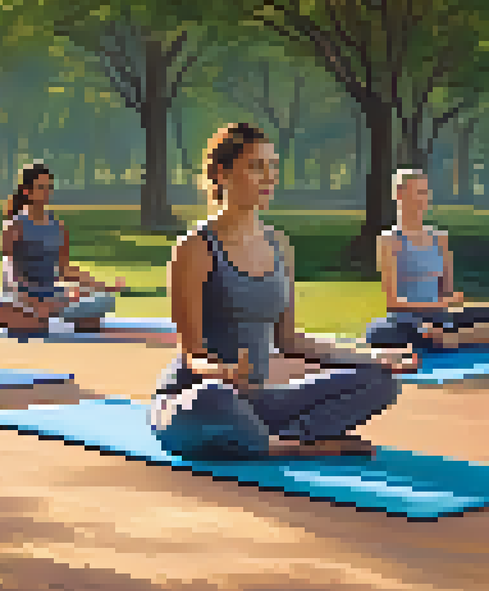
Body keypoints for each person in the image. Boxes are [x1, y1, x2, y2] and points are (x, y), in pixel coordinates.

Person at [149, 123, 414, 460]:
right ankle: (286, 444)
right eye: (256, 167)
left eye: (273, 167)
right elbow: (192, 355)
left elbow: (290, 341)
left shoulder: (280, 245)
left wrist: (375, 356)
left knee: (381, 381)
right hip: (195, 397)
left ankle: (285, 439)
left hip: (259, 401)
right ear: (222, 173)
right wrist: (226, 373)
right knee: (212, 398)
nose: (269, 178)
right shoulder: (195, 248)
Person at [0, 161, 126, 334]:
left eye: (49, 187)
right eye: (41, 187)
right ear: (27, 191)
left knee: (104, 300)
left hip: (51, 295)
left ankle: (50, 317)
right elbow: (10, 270)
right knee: (17, 309)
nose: (46, 192)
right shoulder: (13, 226)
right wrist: (27, 297)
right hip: (21, 293)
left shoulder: (58, 227)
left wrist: (102, 286)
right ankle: (46, 317)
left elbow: (65, 270)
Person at [365, 169, 489, 350]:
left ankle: (451, 338)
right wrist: (437, 304)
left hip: (440, 318)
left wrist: (451, 300)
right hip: (408, 321)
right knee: (378, 333)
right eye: (417, 192)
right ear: (399, 194)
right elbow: (393, 302)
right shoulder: (389, 241)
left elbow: (446, 293)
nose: (422, 199)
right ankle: (454, 337)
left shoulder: (440, 238)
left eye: (425, 192)